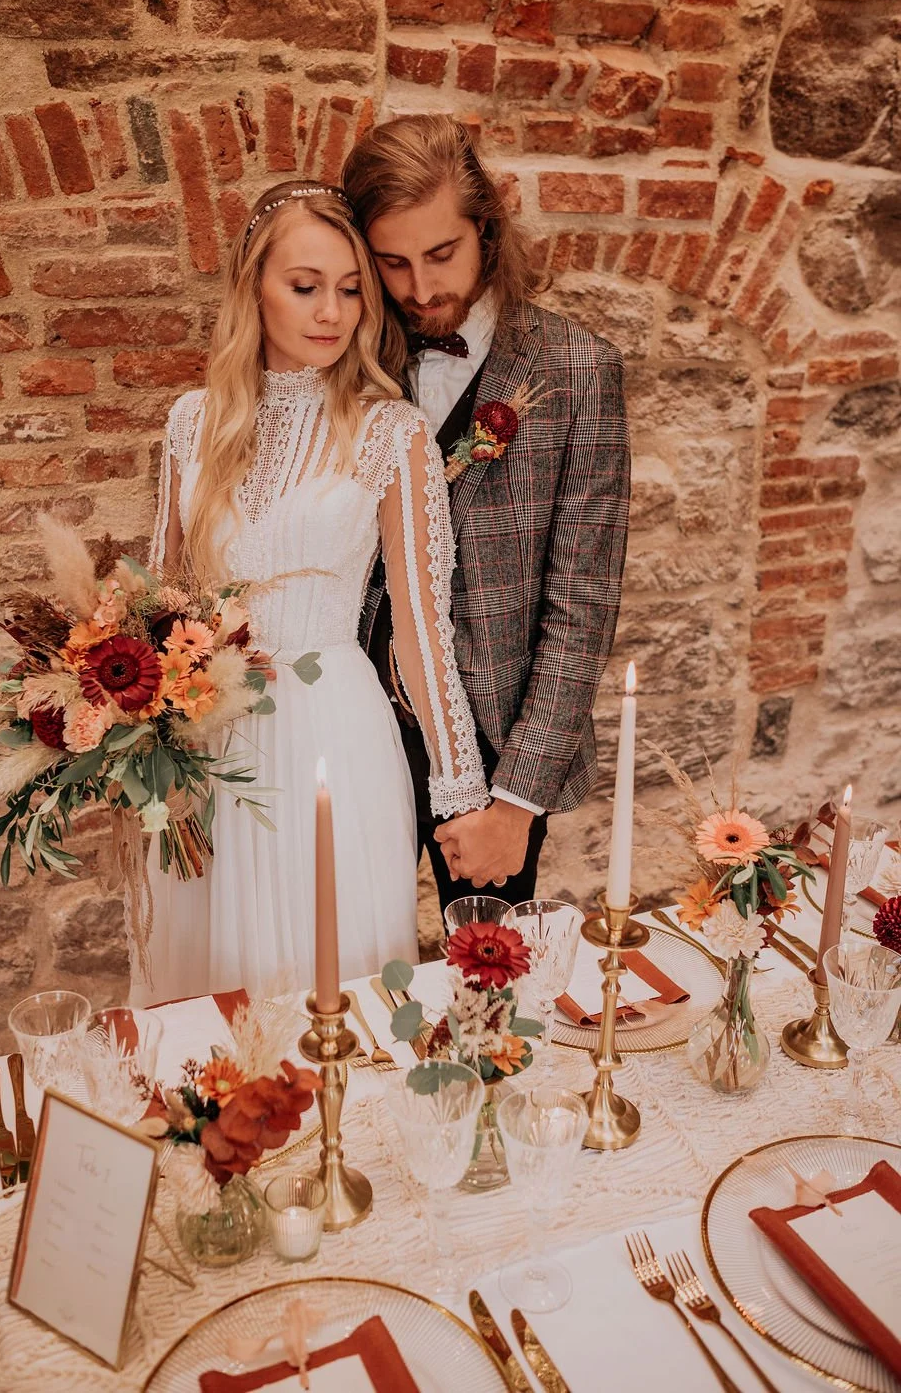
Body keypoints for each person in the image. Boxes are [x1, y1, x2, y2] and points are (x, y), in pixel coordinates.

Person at [131, 180, 489, 1005]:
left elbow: (421, 630)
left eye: (351, 288)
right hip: (206, 752)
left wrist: (459, 790)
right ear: (254, 285)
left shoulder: (389, 431)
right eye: (305, 286)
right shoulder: (192, 422)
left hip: (334, 739)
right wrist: (145, 758)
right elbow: (159, 612)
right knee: (208, 1001)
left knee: (337, 998)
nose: (332, 311)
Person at [342, 114, 630, 916]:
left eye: (441, 254)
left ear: (488, 230)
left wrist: (517, 803)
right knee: (350, 964)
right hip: (353, 722)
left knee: (490, 988)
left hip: (492, 751)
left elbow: (582, 608)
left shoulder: (576, 370)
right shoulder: (343, 358)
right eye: (391, 263)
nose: (421, 288)